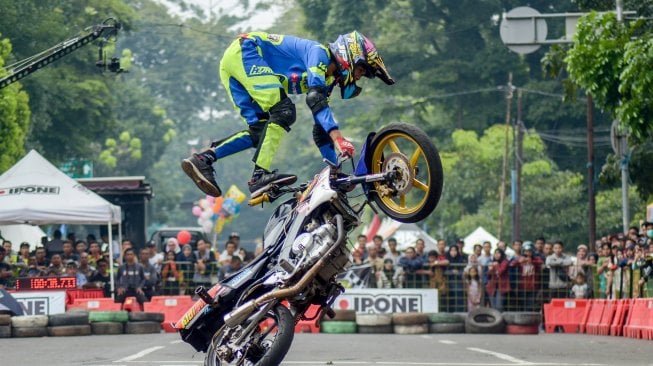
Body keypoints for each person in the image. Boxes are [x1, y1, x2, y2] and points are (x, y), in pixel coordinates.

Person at [181, 31, 394, 197]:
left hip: (235, 62)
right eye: (361, 70)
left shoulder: (327, 81)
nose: (359, 77)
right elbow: (315, 100)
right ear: (351, 55)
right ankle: (259, 177)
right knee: (284, 111)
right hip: (247, 51)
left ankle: (203, 159)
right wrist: (338, 138)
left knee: (260, 132)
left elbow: (320, 131)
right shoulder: (319, 54)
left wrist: (334, 171)